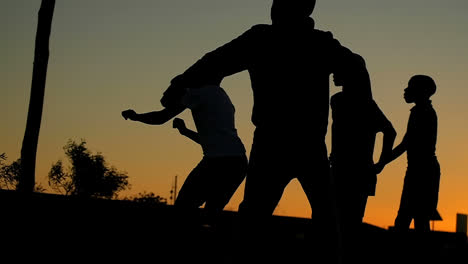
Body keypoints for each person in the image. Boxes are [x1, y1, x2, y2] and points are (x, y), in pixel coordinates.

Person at [159, 0, 373, 258]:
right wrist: (179, 84)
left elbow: (215, 61)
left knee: (264, 213)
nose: (274, 8)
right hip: (303, 142)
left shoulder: (265, 38)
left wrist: (177, 86)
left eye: (279, 3)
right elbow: (356, 65)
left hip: (277, 142)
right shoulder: (318, 42)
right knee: (318, 213)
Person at [122, 84, 248, 229]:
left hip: (218, 162)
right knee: (210, 214)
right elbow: (212, 140)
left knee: (184, 207)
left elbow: (161, 117)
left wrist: (136, 116)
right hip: (237, 162)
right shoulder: (220, 94)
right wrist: (185, 131)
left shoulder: (196, 92)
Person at [329, 54, 396, 262]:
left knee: (341, 221)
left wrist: (382, 162)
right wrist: (380, 163)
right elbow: (390, 131)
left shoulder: (342, 101)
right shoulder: (363, 103)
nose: (333, 76)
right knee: (349, 222)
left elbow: (390, 131)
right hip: (354, 169)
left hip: (348, 170)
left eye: (337, 72)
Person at [376, 75, 441, 232]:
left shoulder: (422, 113)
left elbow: (406, 144)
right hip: (421, 171)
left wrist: (381, 163)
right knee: (416, 220)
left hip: (422, 172)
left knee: (409, 220)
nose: (406, 90)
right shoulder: (421, 111)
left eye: (411, 87)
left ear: (423, 91)